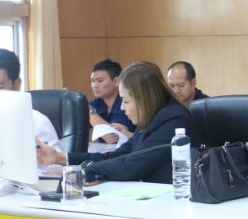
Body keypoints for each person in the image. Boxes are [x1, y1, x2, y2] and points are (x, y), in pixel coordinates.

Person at [37, 61, 188, 183]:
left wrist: (82, 171)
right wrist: (59, 157)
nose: (122, 107)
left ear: (144, 99)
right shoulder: (151, 119)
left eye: (126, 101)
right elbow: (116, 156)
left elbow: (131, 167)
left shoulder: (174, 120)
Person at [89, 59, 135, 142]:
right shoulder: (96, 103)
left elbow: (113, 138)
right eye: (92, 81)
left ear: (116, 81)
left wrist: (89, 112)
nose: (94, 85)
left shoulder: (125, 103)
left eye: (100, 81)